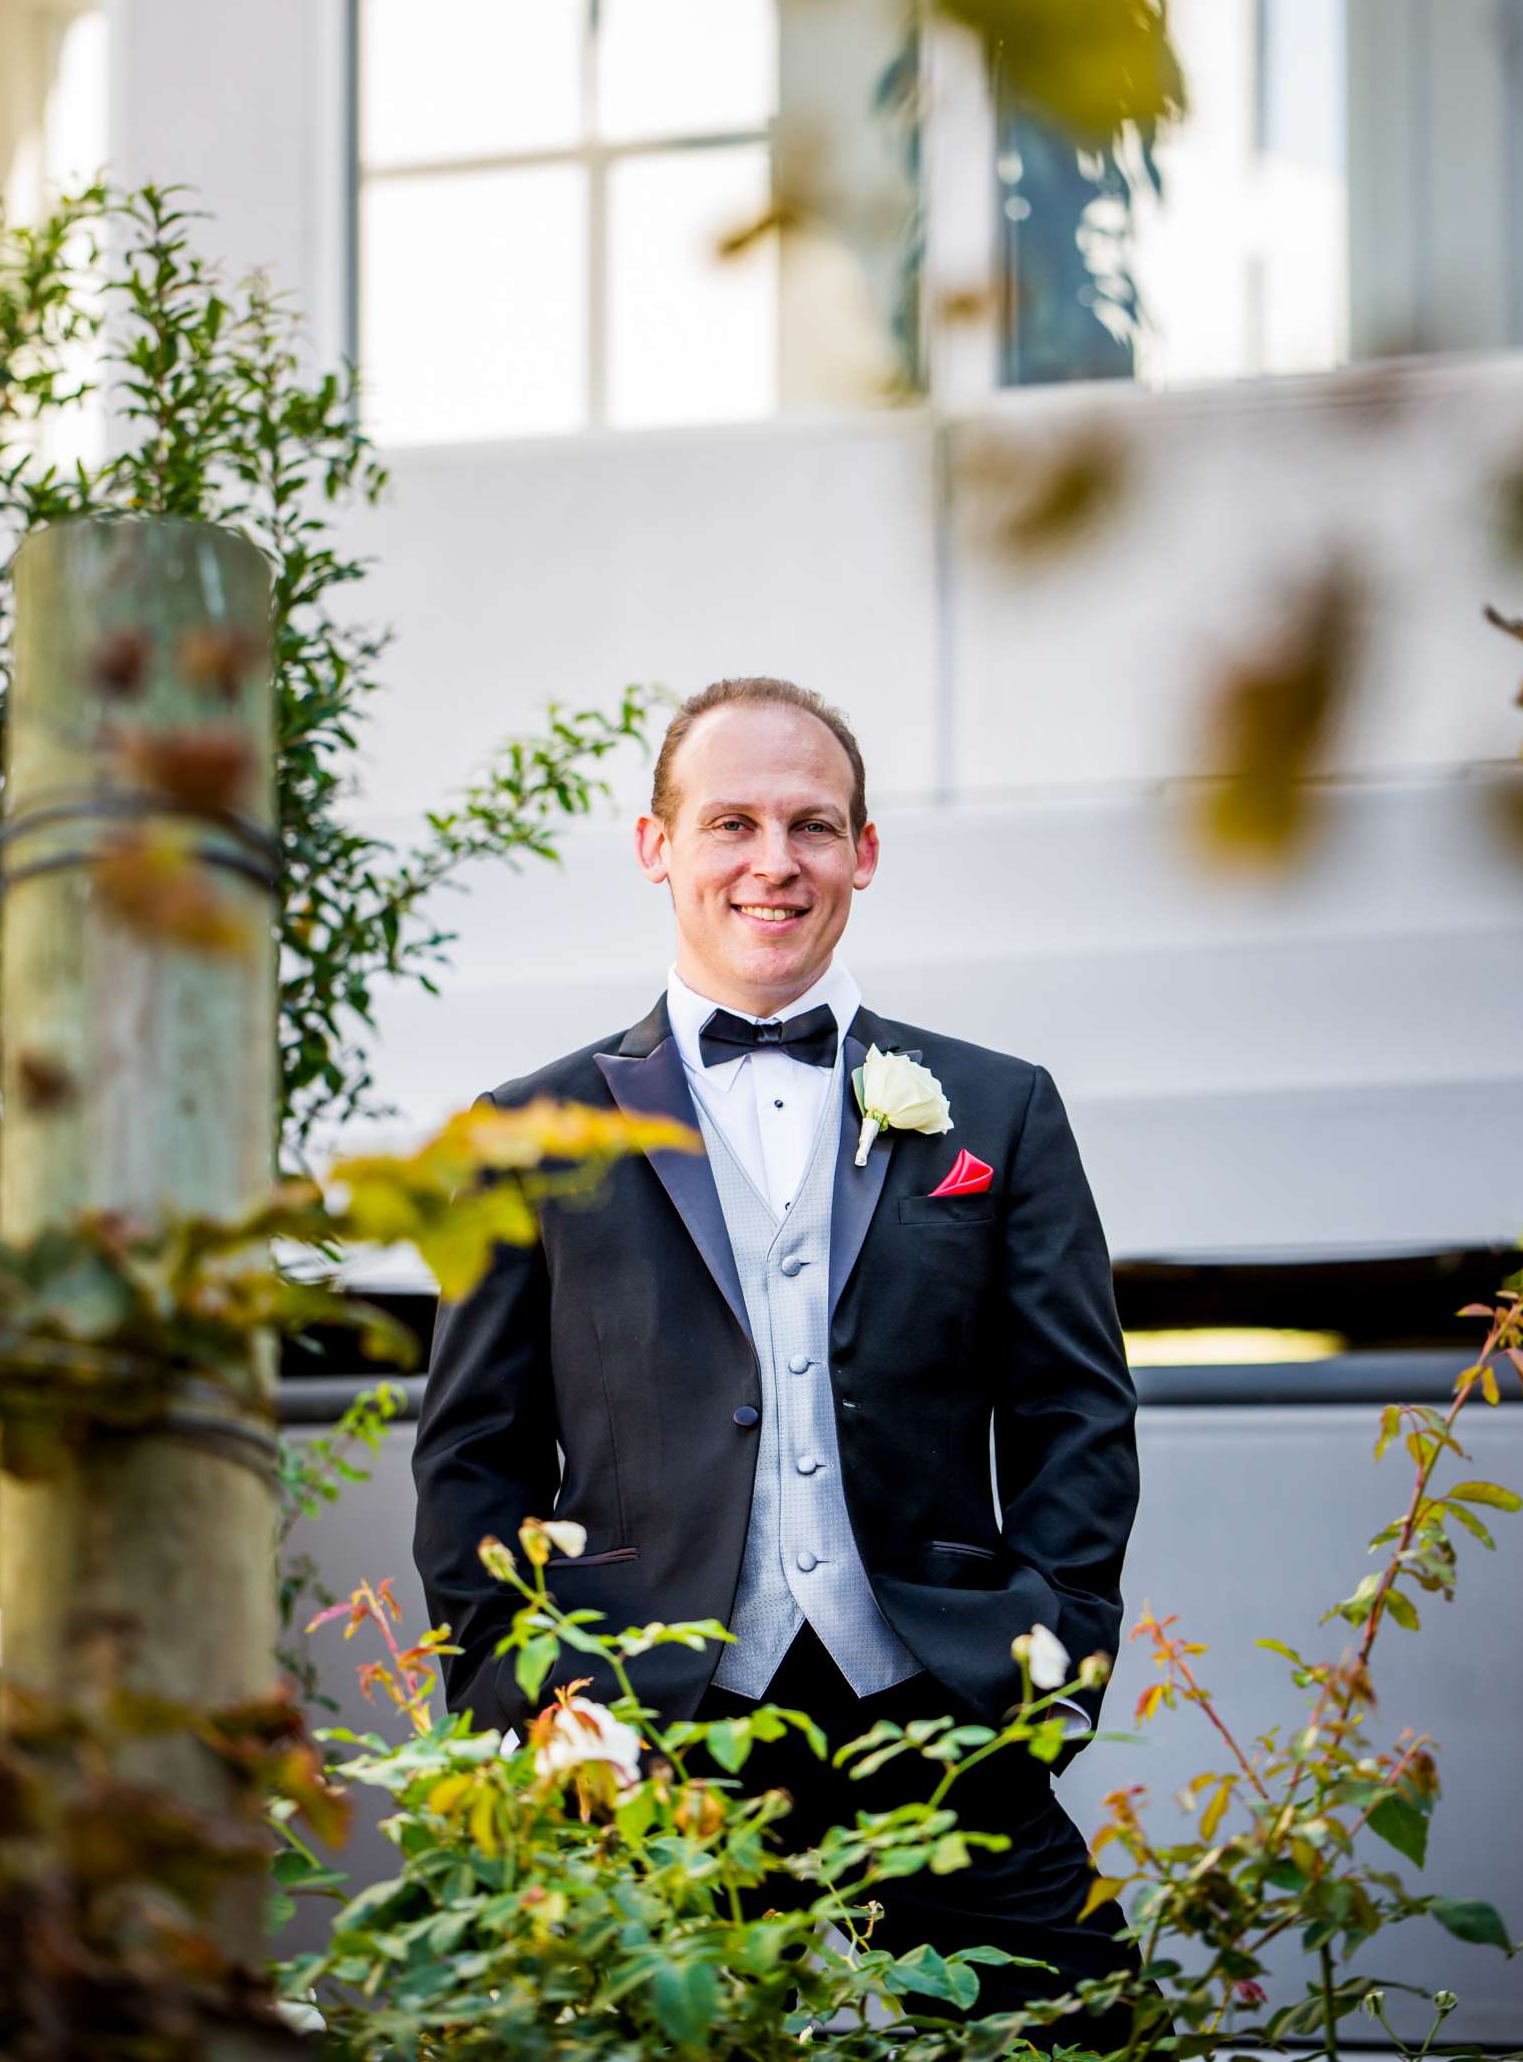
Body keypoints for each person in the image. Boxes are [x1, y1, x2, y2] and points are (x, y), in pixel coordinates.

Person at [412, 675, 1144, 2035]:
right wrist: (530, 1711)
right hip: (642, 1732)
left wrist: (1048, 1669)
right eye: (732, 822)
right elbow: (474, 1457)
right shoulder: (528, 1130)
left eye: (812, 826)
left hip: (940, 1715)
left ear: (863, 853)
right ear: (658, 848)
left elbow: (1073, 1413)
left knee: (1083, 2025)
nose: (774, 862)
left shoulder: (999, 1107)